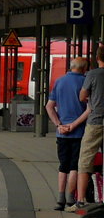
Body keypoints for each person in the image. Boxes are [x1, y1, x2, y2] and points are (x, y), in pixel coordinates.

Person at [46, 56, 88, 209]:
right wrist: (74, 125)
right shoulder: (85, 82)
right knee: (74, 166)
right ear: (84, 69)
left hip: (61, 133)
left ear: (71, 67)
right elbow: (90, 109)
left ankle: (60, 199)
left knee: (63, 165)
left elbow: (49, 107)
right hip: (79, 132)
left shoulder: (59, 81)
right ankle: (71, 198)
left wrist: (59, 125)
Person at [75, 46, 104, 212]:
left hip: (95, 122)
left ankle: (80, 200)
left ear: (97, 58)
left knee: (85, 159)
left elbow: (82, 96)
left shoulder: (93, 74)